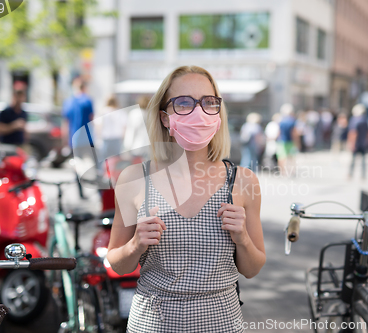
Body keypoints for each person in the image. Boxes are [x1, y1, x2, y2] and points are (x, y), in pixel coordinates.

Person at [107, 65, 266, 332]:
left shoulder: (243, 181)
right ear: (165, 117)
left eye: (209, 102)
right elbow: (117, 263)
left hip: (221, 324)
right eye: (183, 103)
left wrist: (243, 239)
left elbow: (252, 269)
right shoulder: (133, 179)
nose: (198, 112)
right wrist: (136, 245)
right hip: (152, 325)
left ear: (218, 113)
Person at [62, 77, 94, 198]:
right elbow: (92, 119)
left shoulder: (69, 102)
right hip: (87, 138)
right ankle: (92, 190)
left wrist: (65, 139)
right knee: (89, 165)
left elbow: (65, 122)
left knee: (77, 165)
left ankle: (81, 191)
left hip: (73, 139)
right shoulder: (87, 100)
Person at [0, 81, 28, 146]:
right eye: (18, 95)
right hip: (7, 146)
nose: (20, 99)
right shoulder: (6, 112)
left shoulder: (23, 113)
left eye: (21, 95)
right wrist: (14, 126)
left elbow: (25, 131)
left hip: (20, 145)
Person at [348, 104, 368, 179]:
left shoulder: (354, 120)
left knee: (353, 160)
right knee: (363, 160)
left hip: (357, 143)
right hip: (363, 143)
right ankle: (363, 175)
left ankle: (350, 174)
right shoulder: (365, 120)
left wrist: (352, 143)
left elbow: (353, 132)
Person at [276, 103, 300, 175]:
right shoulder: (292, 120)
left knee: (281, 157)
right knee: (291, 157)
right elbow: (294, 133)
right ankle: (291, 171)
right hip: (290, 141)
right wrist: (297, 142)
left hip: (281, 141)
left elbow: (278, 132)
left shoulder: (280, 120)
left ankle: (282, 171)